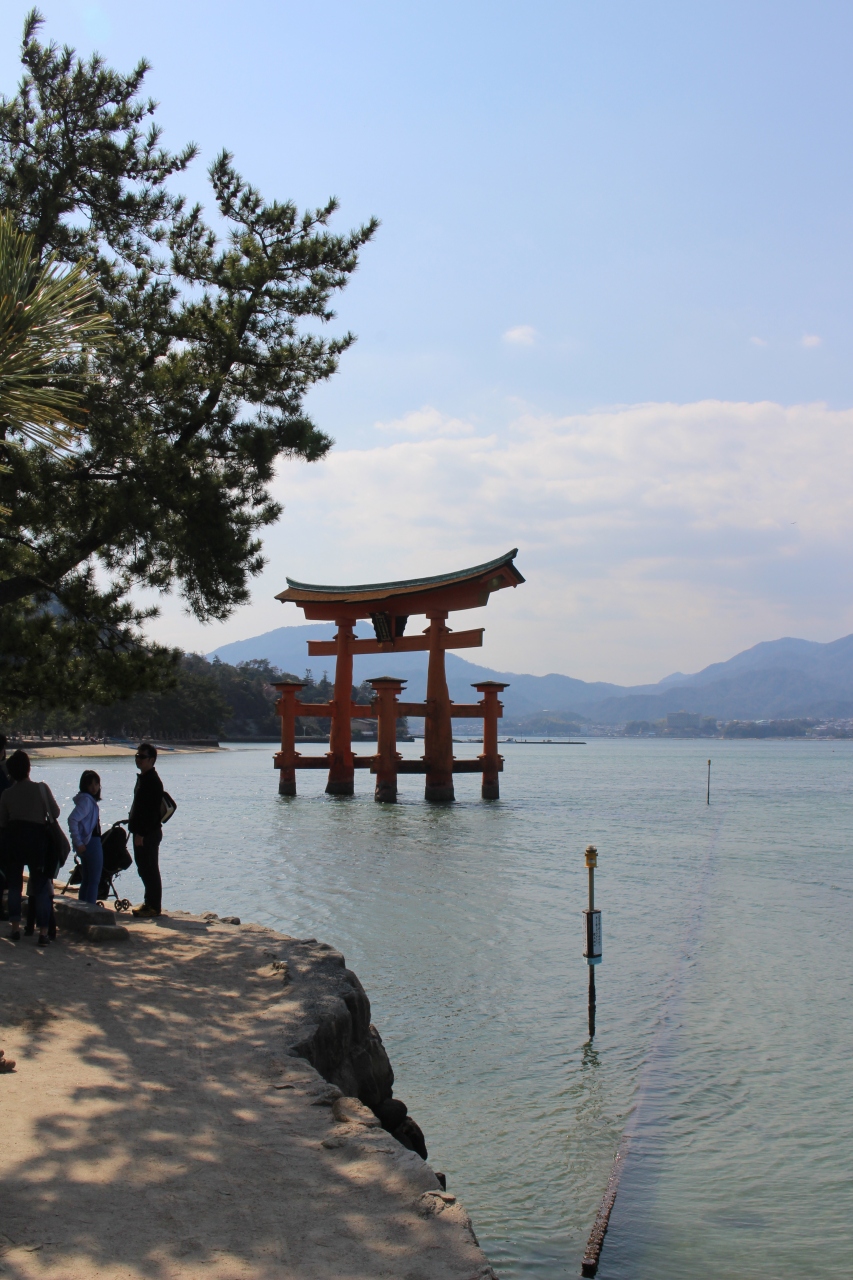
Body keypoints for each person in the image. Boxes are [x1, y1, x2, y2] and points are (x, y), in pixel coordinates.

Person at [0, 750, 60, 945]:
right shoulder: (41, 789)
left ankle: (15, 927)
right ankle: (43, 933)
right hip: (37, 842)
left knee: (14, 885)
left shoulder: (7, 794)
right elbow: (55, 812)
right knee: (41, 887)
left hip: (14, 841)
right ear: (28, 768)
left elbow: (2, 822)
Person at [128, 742, 164, 918]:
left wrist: (141, 833)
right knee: (143, 868)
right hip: (141, 831)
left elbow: (151, 812)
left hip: (148, 833)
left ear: (151, 759)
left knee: (149, 868)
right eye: (137, 756)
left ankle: (153, 906)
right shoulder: (143, 779)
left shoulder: (152, 782)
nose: (138, 759)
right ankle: (149, 902)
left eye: (142, 757)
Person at [68, 770, 103, 905]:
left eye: (96, 784)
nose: (94, 787)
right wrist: (77, 841)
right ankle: (90, 909)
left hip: (87, 842)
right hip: (92, 842)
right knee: (94, 880)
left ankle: (82, 907)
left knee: (87, 879)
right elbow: (72, 819)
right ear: (84, 785)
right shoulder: (87, 801)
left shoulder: (86, 800)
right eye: (90, 784)